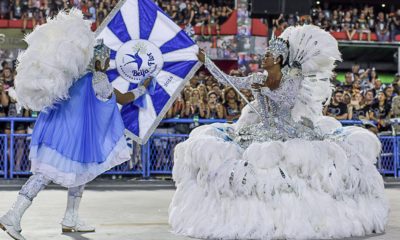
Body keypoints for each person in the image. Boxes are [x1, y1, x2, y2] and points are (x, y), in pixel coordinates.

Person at [169, 25, 388, 239]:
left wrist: (265, 91)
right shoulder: (257, 78)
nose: (263, 58)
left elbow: (287, 99)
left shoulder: (292, 79)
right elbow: (230, 80)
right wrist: (206, 62)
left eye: (268, 55)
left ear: (279, 59)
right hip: (262, 130)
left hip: (288, 130)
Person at [0, 9, 151, 240]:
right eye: (106, 58)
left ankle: (71, 218)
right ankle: (13, 215)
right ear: (98, 60)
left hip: (63, 134)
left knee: (80, 172)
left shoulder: (70, 77)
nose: (108, 62)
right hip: (68, 137)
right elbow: (122, 98)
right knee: (44, 175)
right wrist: (143, 87)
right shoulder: (97, 78)